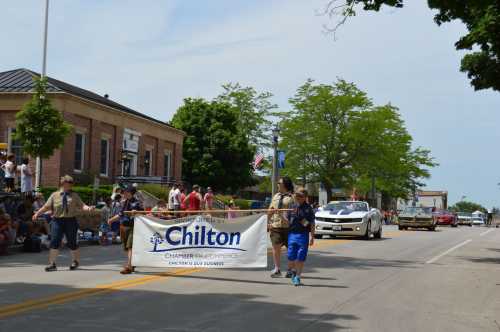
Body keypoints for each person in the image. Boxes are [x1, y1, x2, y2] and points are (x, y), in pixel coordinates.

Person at [32, 175, 95, 272]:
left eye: (71, 183)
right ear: (63, 184)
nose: (70, 185)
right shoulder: (54, 195)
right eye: (68, 183)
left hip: (70, 220)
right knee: (54, 241)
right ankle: (52, 264)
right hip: (57, 221)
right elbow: (46, 207)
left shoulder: (74, 195)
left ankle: (75, 261)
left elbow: (82, 206)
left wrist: (89, 208)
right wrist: (37, 213)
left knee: (72, 242)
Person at [107, 185, 143, 274]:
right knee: (126, 248)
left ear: (131, 193)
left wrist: (137, 212)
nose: (124, 194)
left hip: (133, 226)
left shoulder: (137, 203)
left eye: (126, 192)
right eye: (124, 192)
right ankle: (132, 263)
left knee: (130, 246)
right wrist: (111, 220)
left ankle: (129, 266)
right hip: (123, 226)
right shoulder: (124, 202)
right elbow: (120, 214)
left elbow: (143, 213)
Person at [287, 188, 315, 286]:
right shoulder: (291, 207)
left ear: (305, 198)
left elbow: (310, 223)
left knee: (301, 256)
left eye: (300, 196)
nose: (297, 197)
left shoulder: (308, 208)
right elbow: (287, 221)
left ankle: (298, 276)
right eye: (296, 195)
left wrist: (312, 236)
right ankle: (293, 270)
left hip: (303, 234)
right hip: (292, 234)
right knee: (291, 256)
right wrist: (278, 213)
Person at [267, 176, 294, 278]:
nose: (277, 184)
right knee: (276, 247)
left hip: (289, 226)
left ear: (285, 185)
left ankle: (290, 269)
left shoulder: (292, 197)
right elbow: (270, 210)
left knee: (290, 249)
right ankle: (277, 269)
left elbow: (295, 213)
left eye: (279, 183)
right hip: (276, 225)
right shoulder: (275, 196)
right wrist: (267, 221)